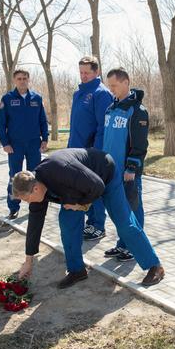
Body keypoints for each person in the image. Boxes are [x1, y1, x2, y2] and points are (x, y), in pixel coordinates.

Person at [12, 147, 165, 288]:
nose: (27, 203)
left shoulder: (61, 169)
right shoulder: (36, 188)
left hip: (104, 174)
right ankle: (77, 270)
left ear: (35, 189)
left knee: (124, 223)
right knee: (67, 225)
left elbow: (98, 186)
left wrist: (80, 205)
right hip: (77, 190)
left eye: (26, 200)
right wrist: (28, 261)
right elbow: (34, 225)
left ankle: (155, 266)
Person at [101, 67, 149, 263]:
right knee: (119, 211)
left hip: (128, 173)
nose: (111, 89)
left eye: (114, 85)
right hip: (111, 171)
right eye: (109, 85)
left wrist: (131, 168)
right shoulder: (111, 108)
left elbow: (140, 145)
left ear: (126, 83)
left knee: (133, 209)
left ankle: (134, 247)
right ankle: (123, 244)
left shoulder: (137, 111)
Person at [68, 55, 114, 241]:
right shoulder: (78, 93)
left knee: (94, 188)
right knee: (83, 189)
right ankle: (90, 222)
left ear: (97, 72)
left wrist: (95, 153)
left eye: (87, 72)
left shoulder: (101, 93)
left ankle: (98, 225)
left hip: (90, 153)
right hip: (75, 150)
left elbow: (102, 127)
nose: (83, 76)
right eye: (81, 72)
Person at [0, 69, 48, 219]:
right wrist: (5, 143)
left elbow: (43, 121)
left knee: (35, 176)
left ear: (29, 79)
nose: (22, 81)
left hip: (33, 144)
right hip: (15, 145)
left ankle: (36, 204)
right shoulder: (7, 99)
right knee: (15, 176)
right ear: (14, 80)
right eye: (19, 78)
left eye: (25, 78)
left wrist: (45, 138)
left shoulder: (36, 98)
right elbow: (0, 124)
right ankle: (13, 207)